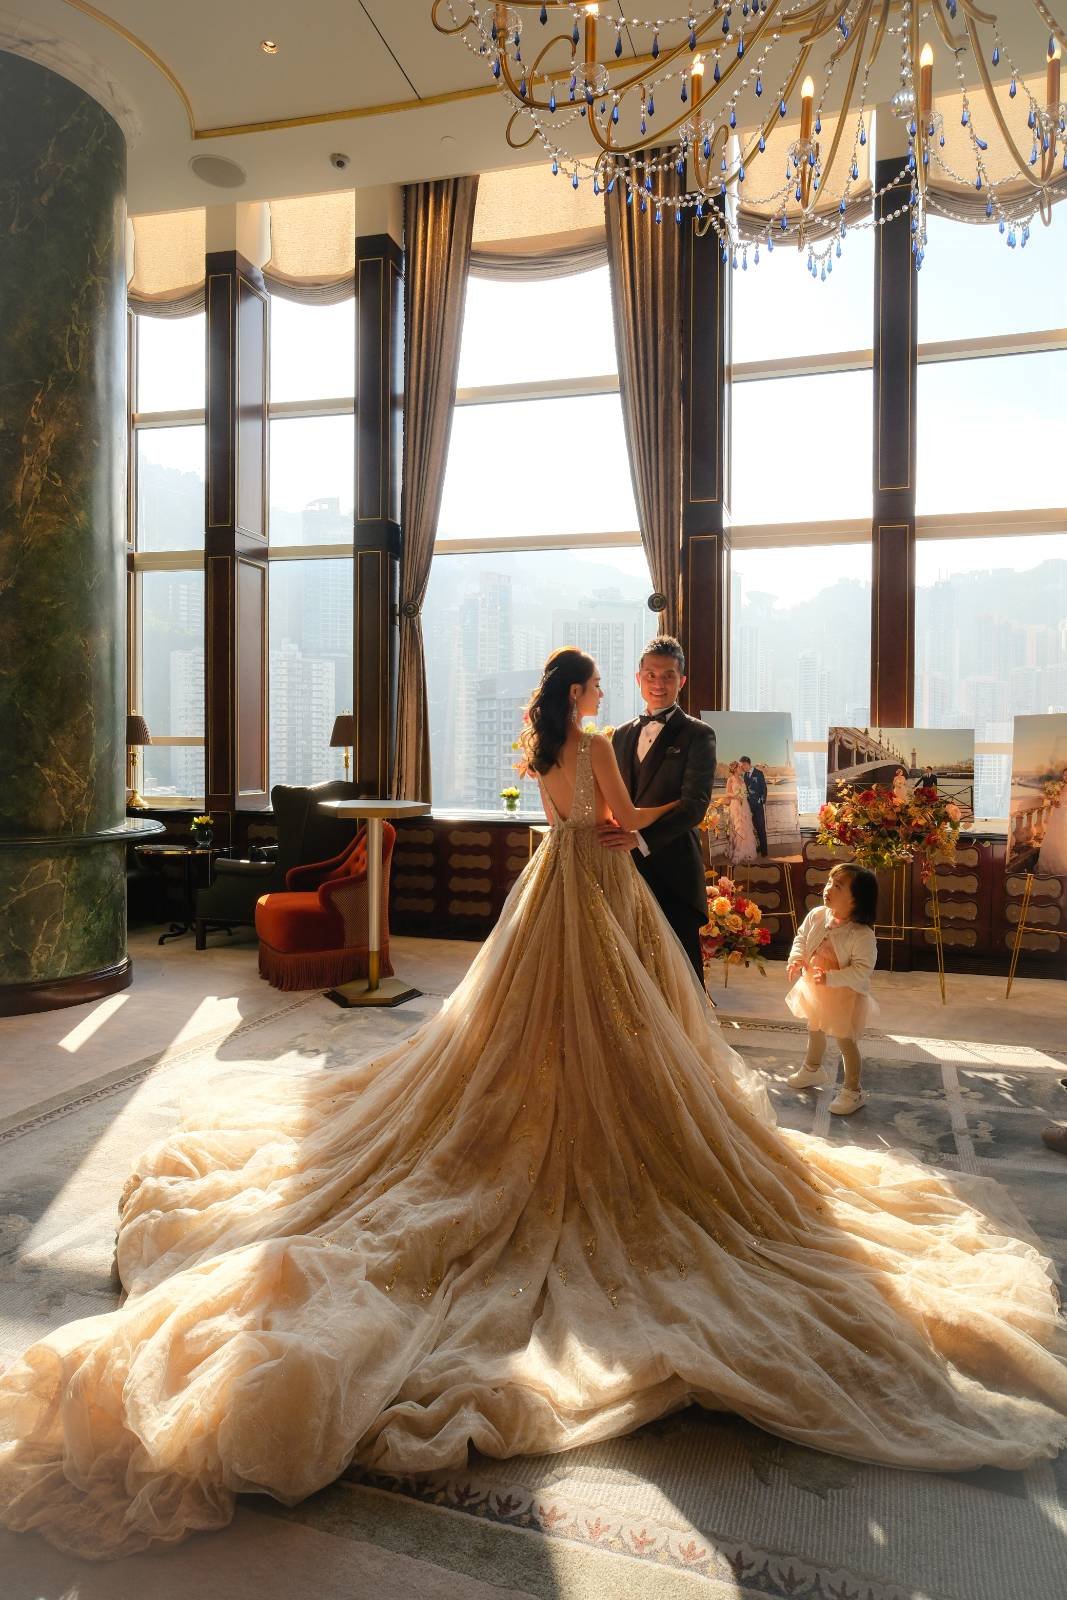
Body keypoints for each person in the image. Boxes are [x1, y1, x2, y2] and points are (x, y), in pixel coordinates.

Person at [2, 647, 1067, 1563]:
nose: (610, 691)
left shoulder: (542, 746)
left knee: (523, 1023)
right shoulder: (598, 741)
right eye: (602, 681)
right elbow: (619, 823)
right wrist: (639, 831)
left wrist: (598, 830)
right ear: (586, 692)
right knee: (622, 1024)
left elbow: (560, 822)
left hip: (544, 888)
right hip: (596, 887)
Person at [600, 636, 716, 980]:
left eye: (668, 675)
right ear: (638, 679)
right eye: (650, 675)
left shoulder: (699, 734)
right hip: (623, 867)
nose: (658, 683)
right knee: (631, 970)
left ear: (682, 681)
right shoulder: (620, 735)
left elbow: (694, 807)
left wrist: (640, 839)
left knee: (681, 973)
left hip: (675, 869)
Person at [784, 864, 879, 1117]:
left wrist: (831, 977)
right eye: (829, 882)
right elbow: (801, 938)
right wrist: (796, 958)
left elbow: (862, 970)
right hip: (815, 987)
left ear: (856, 899)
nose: (828, 889)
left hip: (844, 994)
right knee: (814, 1027)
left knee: (845, 1040)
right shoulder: (817, 915)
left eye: (838, 886)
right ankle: (812, 1068)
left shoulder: (861, 934)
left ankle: (853, 1090)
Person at [723, 759, 759, 865]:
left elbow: (745, 793)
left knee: (745, 827)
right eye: (739, 767)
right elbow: (727, 793)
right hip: (735, 806)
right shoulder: (730, 779)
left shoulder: (742, 780)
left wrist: (744, 795)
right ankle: (738, 853)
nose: (741, 768)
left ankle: (745, 851)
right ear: (735, 769)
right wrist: (736, 795)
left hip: (744, 806)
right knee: (738, 828)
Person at [1037, 766, 1067, 875]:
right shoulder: (1059, 786)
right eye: (1065, 775)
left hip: (1065, 815)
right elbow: (1055, 799)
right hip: (1057, 814)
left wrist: (1063, 805)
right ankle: (1051, 865)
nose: (1066, 777)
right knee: (1054, 836)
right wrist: (1053, 801)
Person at [739, 756, 768, 856]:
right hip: (749, 806)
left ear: (747, 764)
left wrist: (761, 801)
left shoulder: (759, 773)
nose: (742, 767)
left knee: (761, 827)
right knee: (754, 828)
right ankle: (759, 846)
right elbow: (746, 790)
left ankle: (764, 850)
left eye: (742, 765)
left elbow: (764, 789)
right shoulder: (745, 775)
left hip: (758, 806)